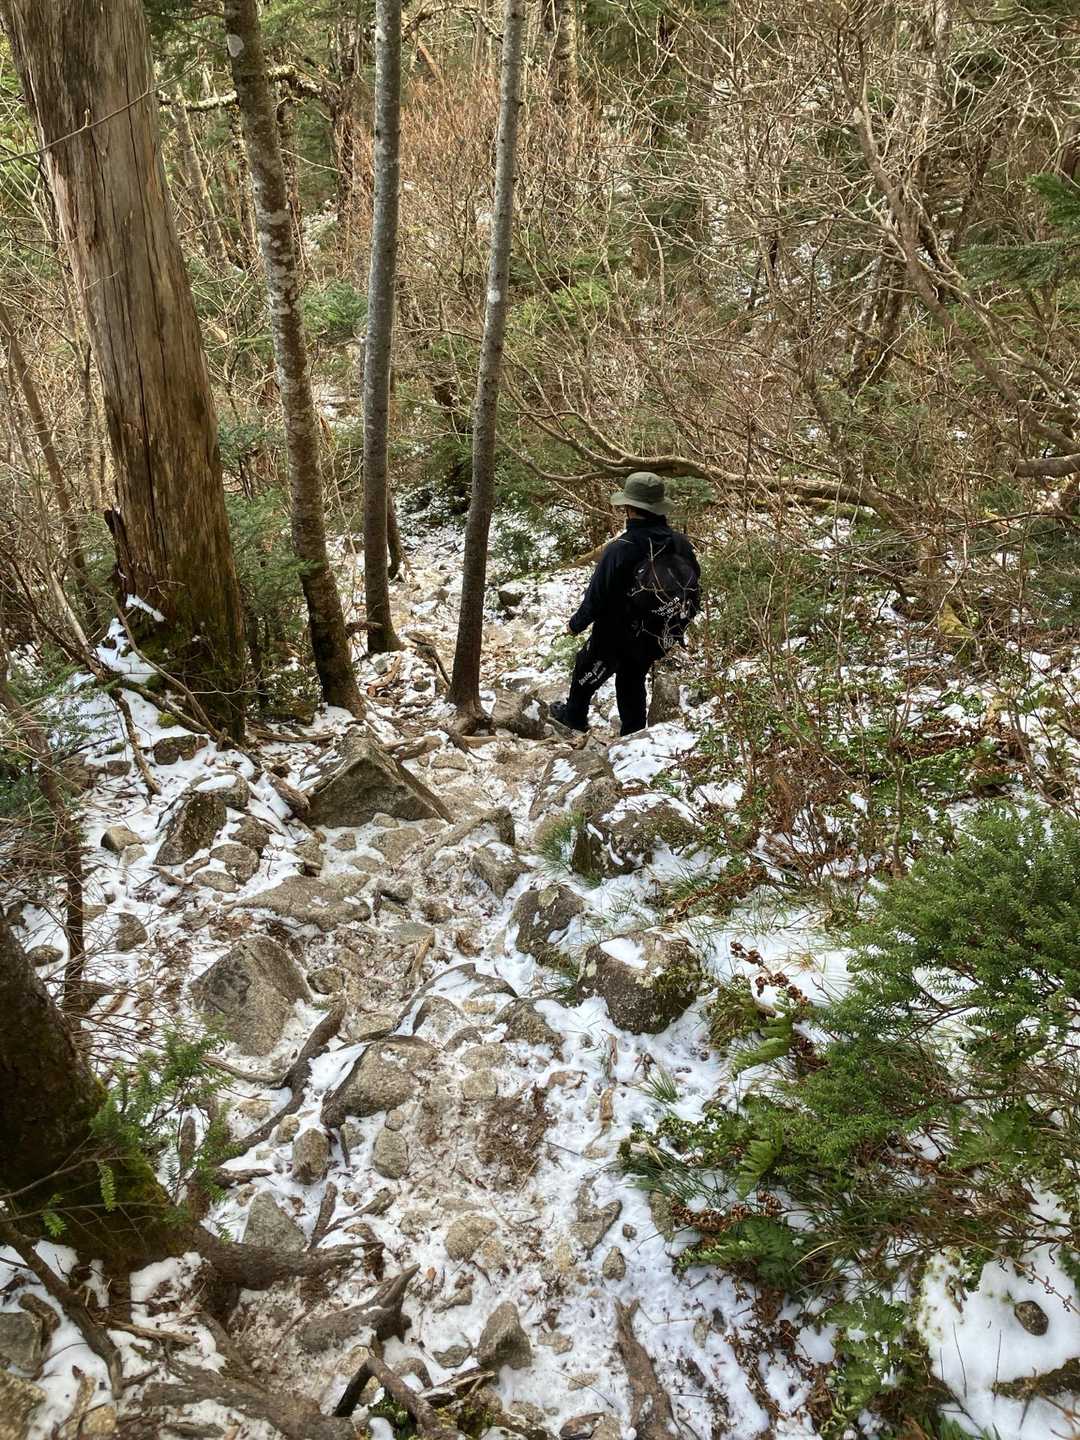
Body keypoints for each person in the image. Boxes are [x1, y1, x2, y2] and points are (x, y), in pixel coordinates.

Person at [550, 472, 700, 737]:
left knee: (586, 668)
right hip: (658, 630)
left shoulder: (621, 548)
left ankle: (573, 717)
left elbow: (597, 597)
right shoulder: (680, 543)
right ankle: (633, 734)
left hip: (616, 631)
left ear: (629, 508)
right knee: (632, 678)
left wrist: (575, 625)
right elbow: (694, 580)